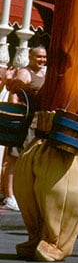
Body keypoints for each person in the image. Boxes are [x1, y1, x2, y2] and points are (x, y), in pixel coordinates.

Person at [2, 45, 47, 211]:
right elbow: (14, 93)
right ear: (30, 56)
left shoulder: (43, 74)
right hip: (24, 122)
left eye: (44, 57)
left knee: (29, 160)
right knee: (13, 158)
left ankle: (22, 194)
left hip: (36, 123)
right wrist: (16, 118)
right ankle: (9, 196)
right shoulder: (25, 73)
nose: (42, 60)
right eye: (38, 57)